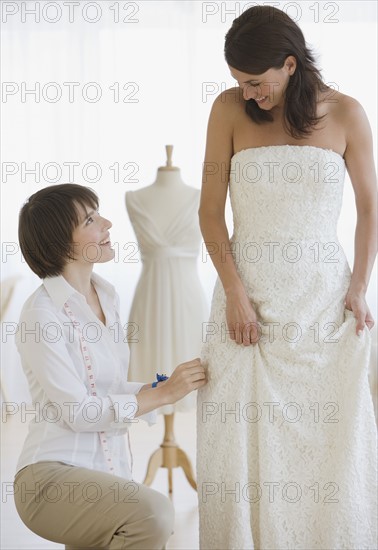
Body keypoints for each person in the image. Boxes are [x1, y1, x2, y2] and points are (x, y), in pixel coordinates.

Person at [197, 5, 377, 549]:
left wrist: (358, 289)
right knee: (237, 442)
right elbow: (209, 213)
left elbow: (370, 208)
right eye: (239, 83)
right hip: (245, 305)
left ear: (291, 65)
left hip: (322, 305)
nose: (249, 94)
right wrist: (235, 294)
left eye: (257, 83)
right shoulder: (228, 110)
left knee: (326, 450)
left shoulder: (347, 113)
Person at [13, 183, 206, 550]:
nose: (108, 224)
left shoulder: (107, 297)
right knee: (153, 515)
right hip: (48, 480)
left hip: (102, 473)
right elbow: (80, 412)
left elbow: (108, 388)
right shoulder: (41, 315)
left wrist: (161, 388)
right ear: (60, 243)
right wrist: (162, 394)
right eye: (91, 219)